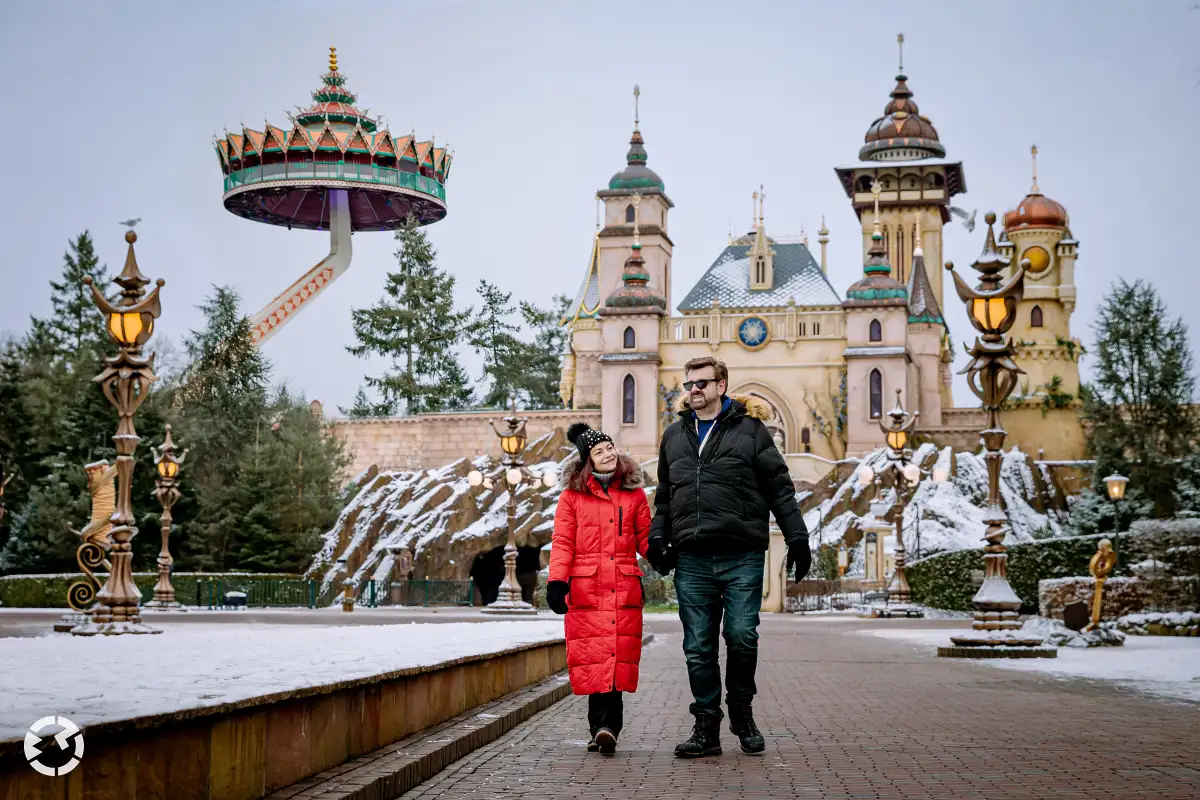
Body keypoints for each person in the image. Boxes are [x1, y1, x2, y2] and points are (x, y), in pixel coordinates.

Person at [646, 356, 810, 757]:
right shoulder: (674, 437)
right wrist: (657, 539)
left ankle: (741, 710)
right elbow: (666, 498)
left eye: (702, 383)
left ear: (722, 384)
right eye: (689, 385)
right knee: (698, 645)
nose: (694, 390)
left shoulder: (751, 432)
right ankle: (706, 727)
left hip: (742, 553)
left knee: (741, 636)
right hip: (692, 558)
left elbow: (779, 488)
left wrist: (798, 538)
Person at [547, 422, 651, 755]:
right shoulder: (571, 498)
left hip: (622, 588)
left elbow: (646, 538)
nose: (607, 454)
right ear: (588, 461)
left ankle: (607, 728)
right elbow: (562, 542)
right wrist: (556, 581)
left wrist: (664, 553)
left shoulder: (634, 495)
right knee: (595, 660)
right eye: (599, 451)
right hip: (587, 589)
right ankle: (600, 728)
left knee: (614, 660)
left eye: (609, 448)